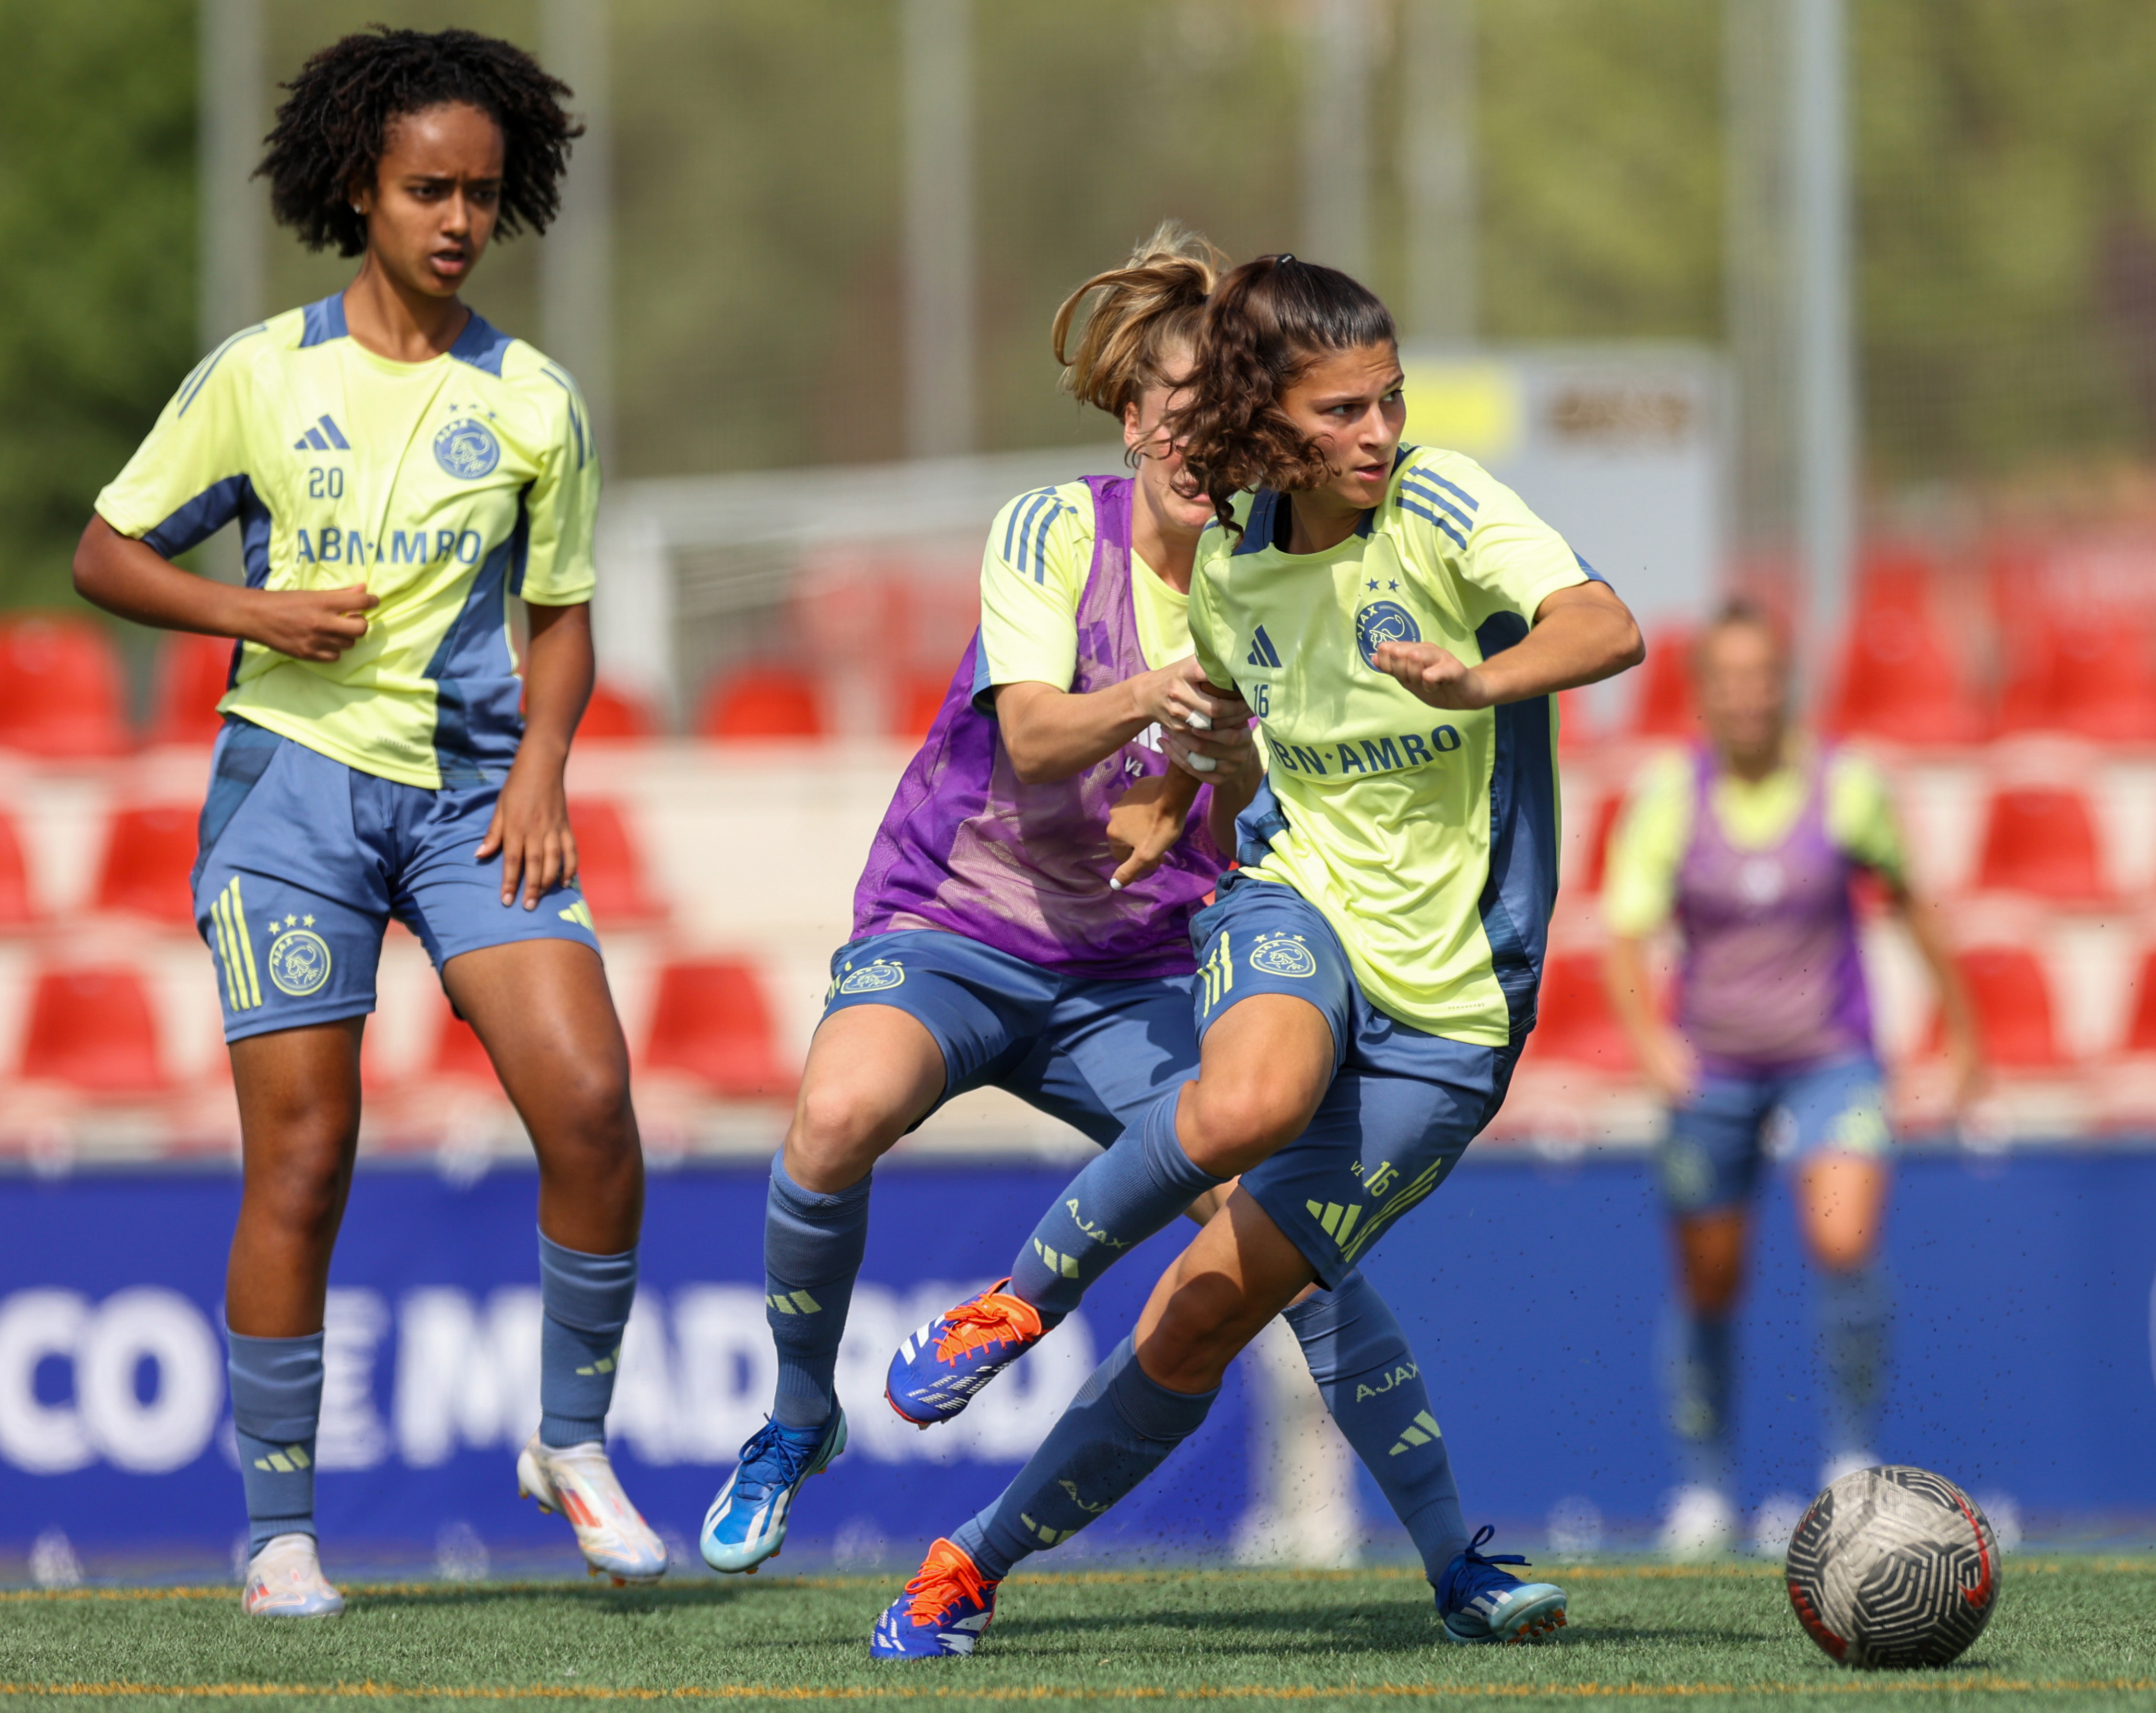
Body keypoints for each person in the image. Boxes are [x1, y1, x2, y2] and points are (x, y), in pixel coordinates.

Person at [696, 228, 1494, 1598]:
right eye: (1172, 418)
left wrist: (1216, 757)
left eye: (1220, 426)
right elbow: (1033, 740)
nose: (1194, 447)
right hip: (953, 924)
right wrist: (1164, 698)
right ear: (1132, 420)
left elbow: (1255, 774)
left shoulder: (1272, 581)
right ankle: (792, 1417)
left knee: (1288, 1240)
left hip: (1133, 973)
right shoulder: (1051, 527)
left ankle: (1453, 1559)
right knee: (834, 1117)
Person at [876, 253, 1645, 1658]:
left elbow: (1605, 623)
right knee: (1245, 1103)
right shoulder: (1233, 564)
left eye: (1388, 401)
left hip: (1460, 1009)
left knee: (1197, 1322)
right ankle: (1012, 1304)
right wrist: (1176, 788)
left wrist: (1482, 676)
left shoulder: (1445, 501)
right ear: (1273, 422)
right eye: (1343, 410)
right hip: (1293, 904)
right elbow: (1231, 690)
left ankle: (967, 1564)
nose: (1377, 434)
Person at [71, 27, 659, 1615]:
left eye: (480, 192)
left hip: (478, 800)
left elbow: (564, 614)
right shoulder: (264, 373)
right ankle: (277, 1538)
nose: (457, 218)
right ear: (361, 190)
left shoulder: (537, 402)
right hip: (293, 797)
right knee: (307, 1158)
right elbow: (104, 553)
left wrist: (544, 760)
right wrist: (247, 605)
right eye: (426, 189)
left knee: (594, 1107)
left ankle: (568, 1444)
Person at [1599, 602, 1985, 1557]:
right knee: (1710, 1282)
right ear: (1703, 696)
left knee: (1844, 1238)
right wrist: (1652, 1043)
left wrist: (1964, 1037)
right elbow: (1625, 934)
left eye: (1760, 676)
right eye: (1724, 680)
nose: (1745, 696)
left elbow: (1913, 906)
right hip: (1714, 1069)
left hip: (1831, 1060)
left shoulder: (1847, 786)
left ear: (1785, 684)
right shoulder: (1670, 795)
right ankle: (1704, 1489)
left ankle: (1849, 1458)